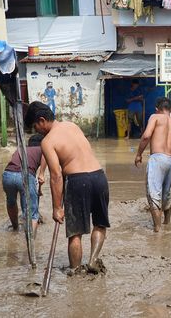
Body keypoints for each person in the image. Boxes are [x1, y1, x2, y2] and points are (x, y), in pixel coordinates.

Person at [24, 102, 110, 274]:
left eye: (35, 127)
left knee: (75, 232)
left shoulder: (47, 141)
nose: (37, 131)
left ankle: (76, 271)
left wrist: (56, 208)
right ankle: (93, 260)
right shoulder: (72, 125)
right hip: (99, 176)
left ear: (42, 120)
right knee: (100, 224)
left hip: (78, 180)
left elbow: (55, 175)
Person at [135, 97, 171, 232]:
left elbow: (146, 136)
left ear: (157, 109)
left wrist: (138, 154)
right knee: (166, 193)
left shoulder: (155, 117)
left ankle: (158, 230)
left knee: (153, 194)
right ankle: (167, 224)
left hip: (158, 158)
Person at [2, 134, 46, 235]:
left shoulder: (20, 149)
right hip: (25, 176)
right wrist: (39, 189)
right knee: (32, 214)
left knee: (11, 202)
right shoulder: (43, 150)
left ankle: (15, 229)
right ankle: (30, 242)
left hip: (7, 175)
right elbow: (41, 177)